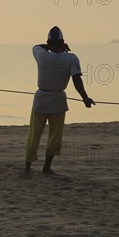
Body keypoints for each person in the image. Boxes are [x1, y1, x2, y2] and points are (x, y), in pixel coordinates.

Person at [25, 26, 95, 175]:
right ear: (63, 42)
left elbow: (36, 46)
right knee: (55, 135)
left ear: (48, 42)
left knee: (34, 134)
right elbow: (77, 80)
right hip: (57, 99)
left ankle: (27, 167)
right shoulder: (71, 58)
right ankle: (46, 167)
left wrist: (49, 46)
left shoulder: (42, 55)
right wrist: (85, 98)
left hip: (41, 99)